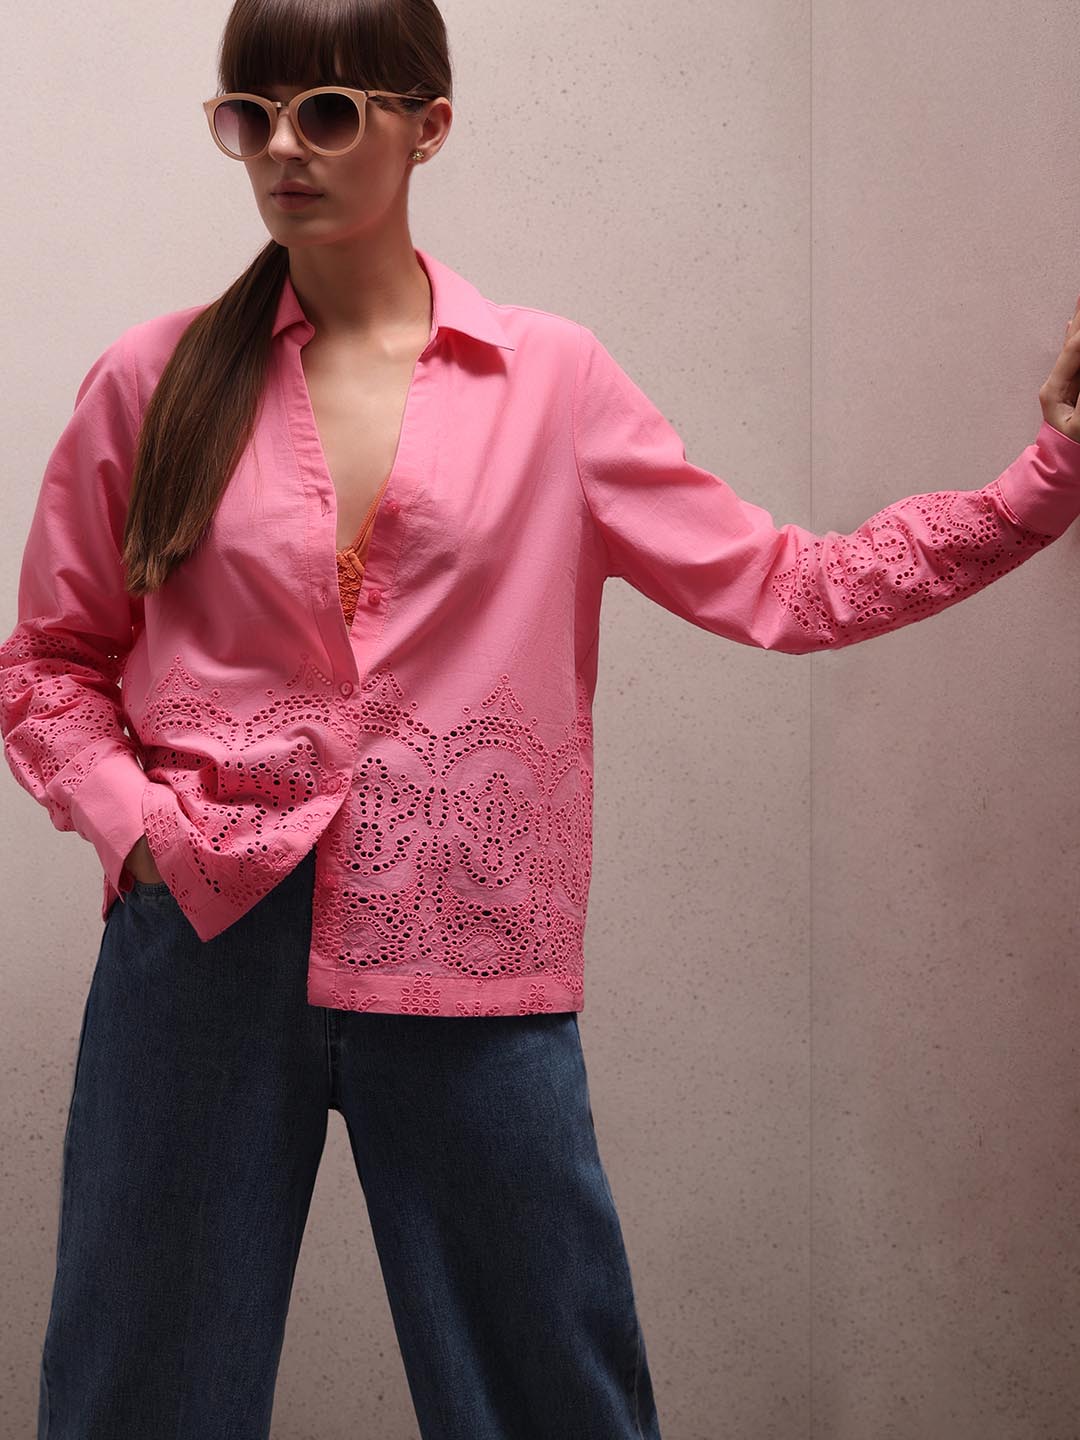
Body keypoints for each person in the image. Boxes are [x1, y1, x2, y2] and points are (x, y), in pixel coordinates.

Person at [3, 2, 1079, 1438]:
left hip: (467, 957)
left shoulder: (552, 382)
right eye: (248, 116)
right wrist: (138, 832)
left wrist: (1046, 478)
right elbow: (50, 663)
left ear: (427, 126)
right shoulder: (153, 381)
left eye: (327, 110)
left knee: (552, 1395)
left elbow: (789, 583)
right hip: (198, 943)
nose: (282, 149)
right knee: (138, 1395)